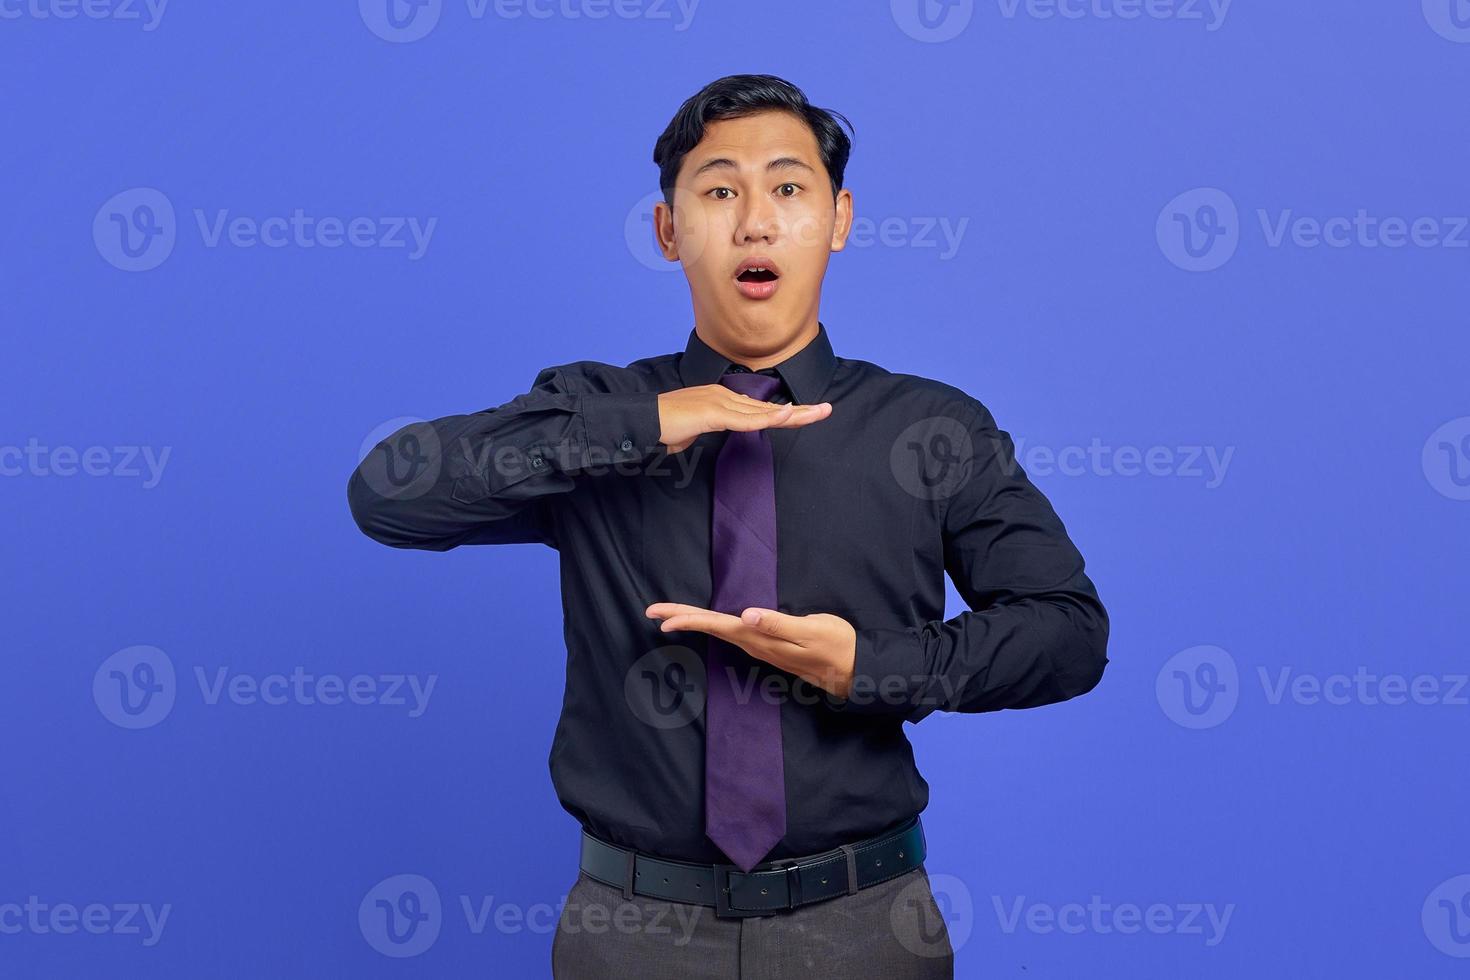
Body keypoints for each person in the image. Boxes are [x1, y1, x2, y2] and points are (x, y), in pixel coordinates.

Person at [347, 72, 1109, 979]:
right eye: (718, 191)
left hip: (865, 927)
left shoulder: (930, 429)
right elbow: (389, 496)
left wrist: (869, 666)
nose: (754, 220)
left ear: (839, 220)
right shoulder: (596, 414)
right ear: (669, 230)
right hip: (632, 935)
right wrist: (646, 423)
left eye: (788, 188)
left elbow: (1069, 634)